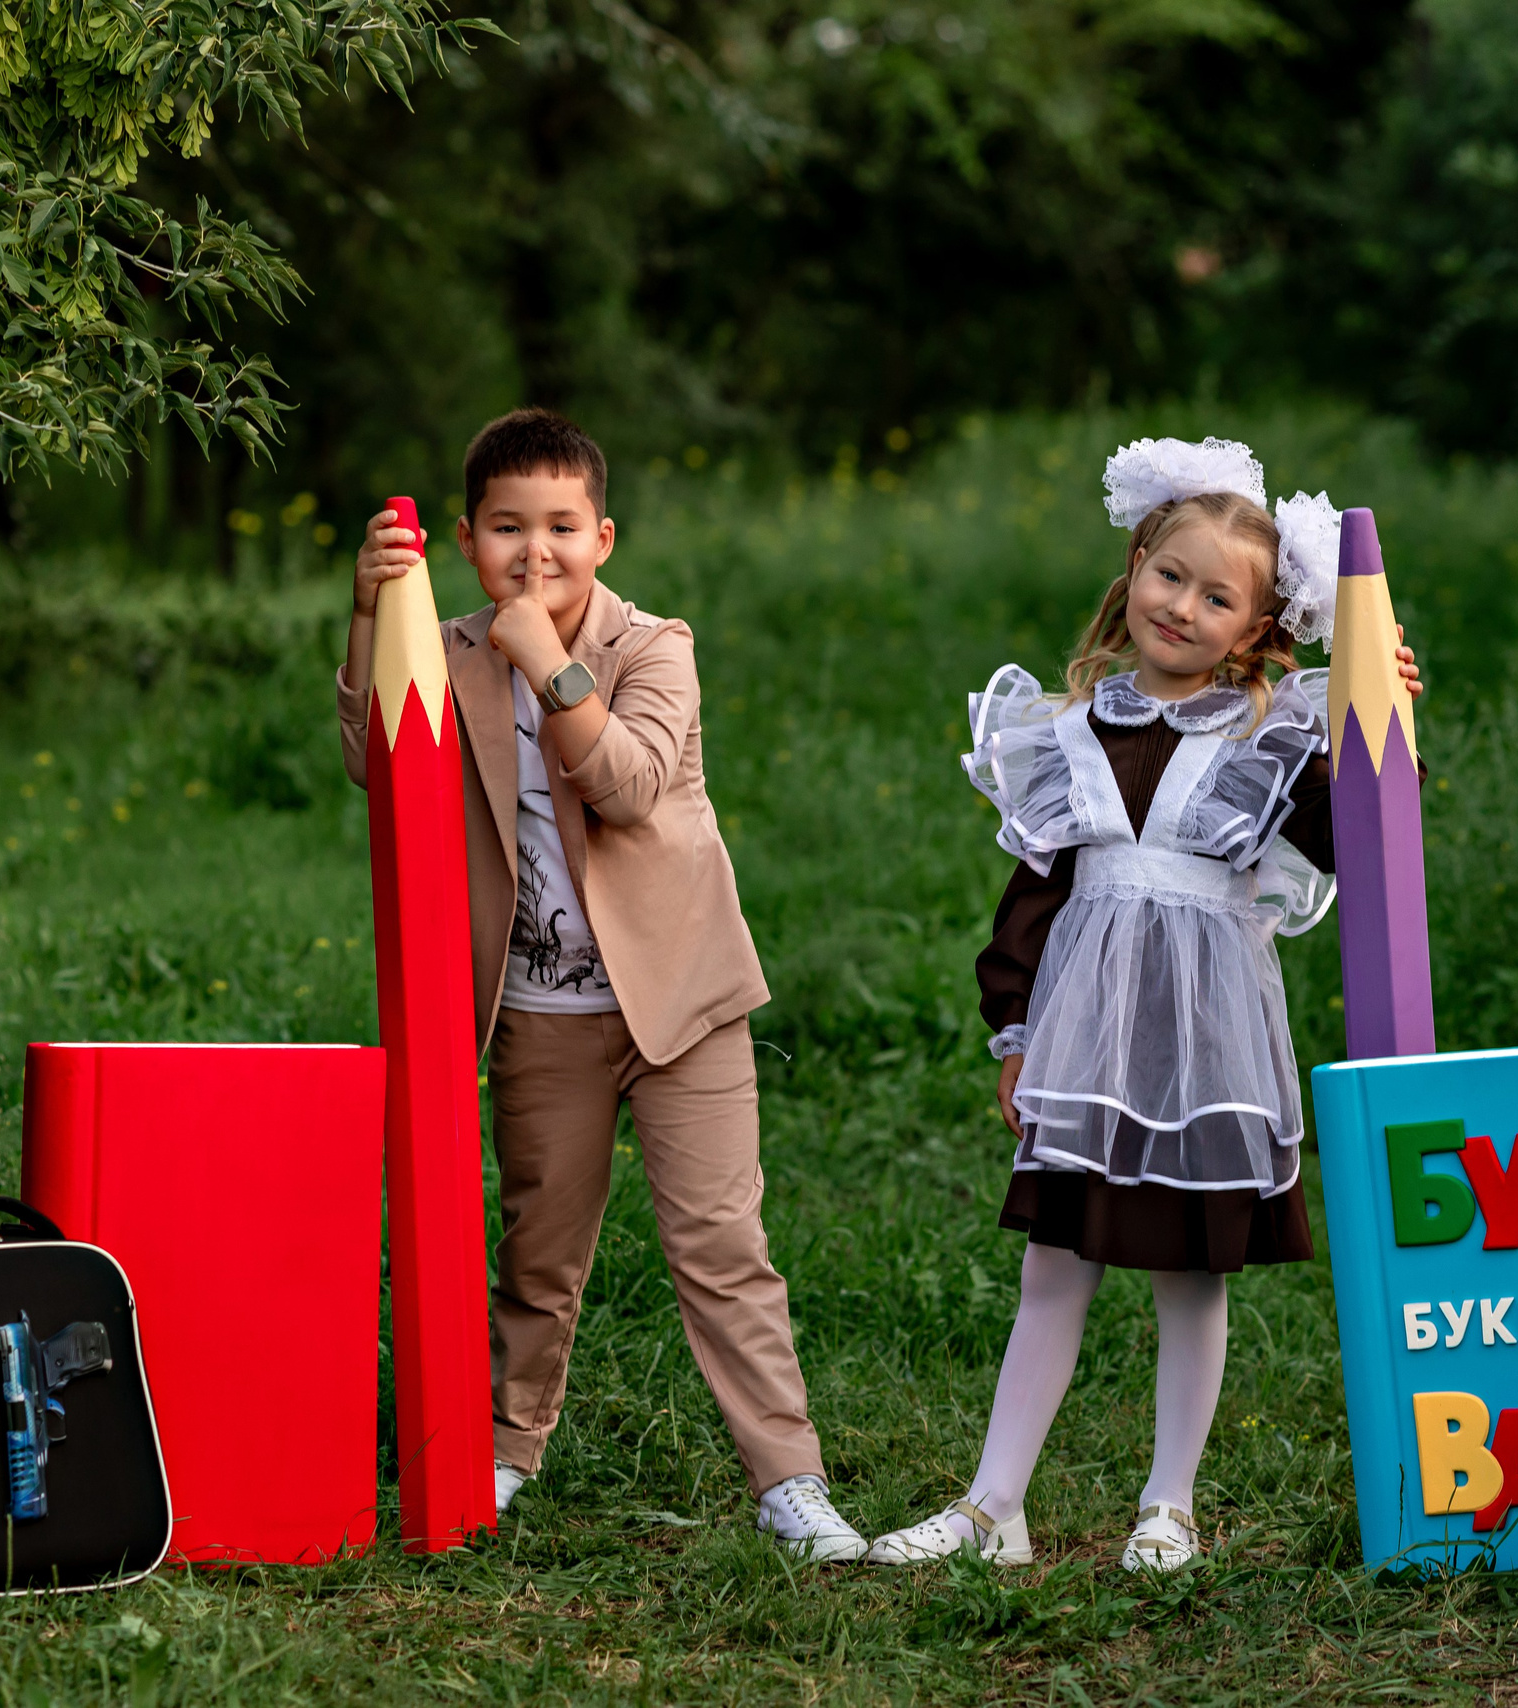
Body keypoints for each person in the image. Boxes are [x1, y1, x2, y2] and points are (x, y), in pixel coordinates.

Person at [864, 436, 1424, 1573]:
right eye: (1170, 575)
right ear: (1133, 570)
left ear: (1255, 629)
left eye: (1219, 596)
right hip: (1080, 1041)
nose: (1183, 606)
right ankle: (991, 1509)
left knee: (1189, 1272)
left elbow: (1354, 842)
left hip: (1206, 1047)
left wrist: (1377, 719)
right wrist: (1014, 1031)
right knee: (1053, 1267)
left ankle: (1168, 1504)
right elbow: (1034, 897)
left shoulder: (1271, 739)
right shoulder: (1064, 734)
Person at [338, 408, 865, 1562]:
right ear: (467, 540)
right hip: (540, 1010)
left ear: (604, 535)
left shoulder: (652, 644)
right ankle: (506, 1449)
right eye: (508, 527)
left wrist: (544, 652)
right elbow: (378, 766)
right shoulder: (451, 649)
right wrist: (373, 612)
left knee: (724, 1246)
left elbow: (626, 784)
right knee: (538, 1251)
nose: (538, 551)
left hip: (679, 1002)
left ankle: (790, 1481)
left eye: (563, 526)